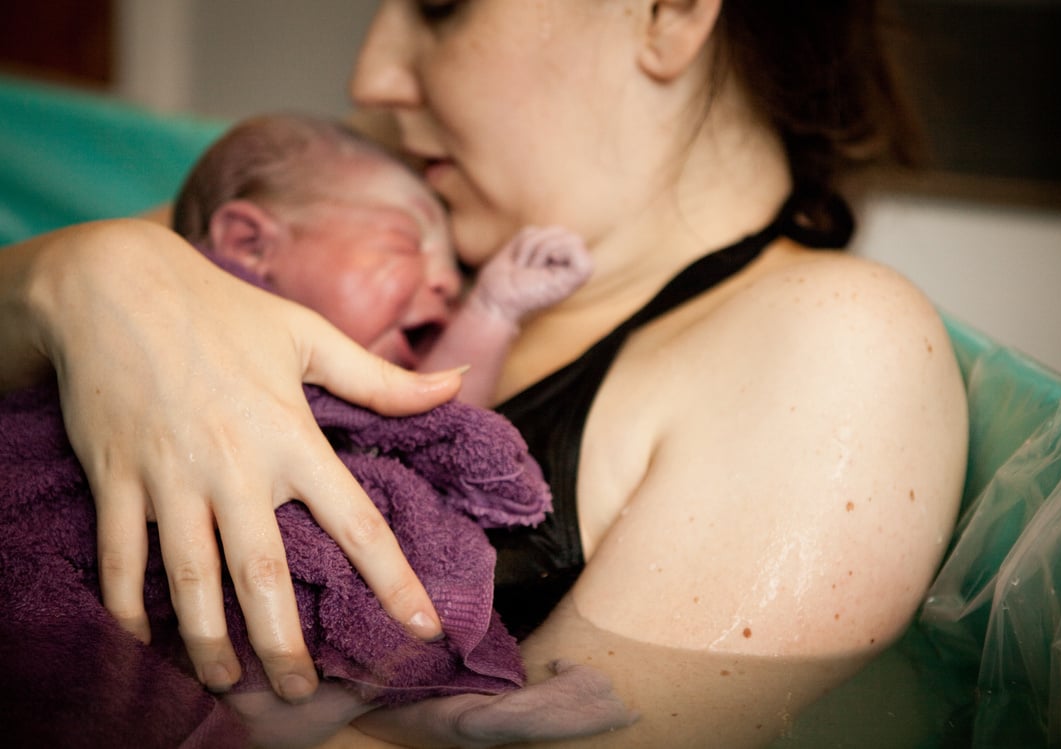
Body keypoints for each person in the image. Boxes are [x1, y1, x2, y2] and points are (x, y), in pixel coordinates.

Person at [0, 1, 969, 746]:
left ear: (668, 12)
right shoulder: (385, 182)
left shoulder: (825, 347)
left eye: (438, 2)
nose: (372, 73)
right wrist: (80, 275)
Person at [172, 112, 592, 408]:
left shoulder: (370, 408)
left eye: (454, 270)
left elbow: (439, 425)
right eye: (407, 242)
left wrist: (492, 311)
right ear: (251, 246)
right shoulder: (165, 355)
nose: (448, 284)